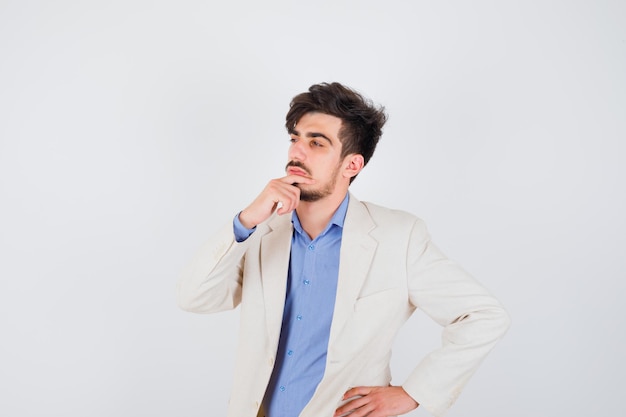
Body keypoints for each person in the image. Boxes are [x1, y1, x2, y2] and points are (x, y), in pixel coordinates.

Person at [177, 82, 510, 417]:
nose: (296, 153)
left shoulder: (398, 238)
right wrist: (247, 218)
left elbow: (483, 315)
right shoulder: (261, 230)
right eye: (295, 138)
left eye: (316, 143)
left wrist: (414, 393)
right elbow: (195, 297)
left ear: (352, 165)